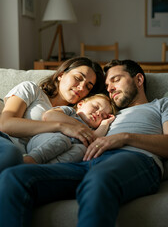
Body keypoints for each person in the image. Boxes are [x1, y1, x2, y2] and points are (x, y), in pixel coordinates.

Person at [0, 59, 168, 227]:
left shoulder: (161, 105)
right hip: (86, 163)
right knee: (15, 177)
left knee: (99, 178)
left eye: (115, 80)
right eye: (107, 85)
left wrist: (125, 137)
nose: (110, 88)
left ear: (139, 80)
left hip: (134, 159)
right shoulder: (102, 115)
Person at [0, 57, 105, 173]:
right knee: (12, 155)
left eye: (88, 87)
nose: (81, 88)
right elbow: (5, 124)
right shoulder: (31, 89)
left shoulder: (74, 116)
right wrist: (61, 126)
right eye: (78, 78)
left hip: (32, 159)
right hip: (6, 141)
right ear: (61, 75)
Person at [24, 94, 116, 164]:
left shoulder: (90, 130)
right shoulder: (71, 112)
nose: (98, 113)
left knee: (82, 149)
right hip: (41, 143)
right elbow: (48, 115)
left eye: (103, 116)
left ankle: (46, 167)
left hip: (58, 154)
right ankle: (30, 159)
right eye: (96, 107)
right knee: (63, 140)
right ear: (80, 104)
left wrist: (105, 123)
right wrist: (78, 126)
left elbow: (95, 138)